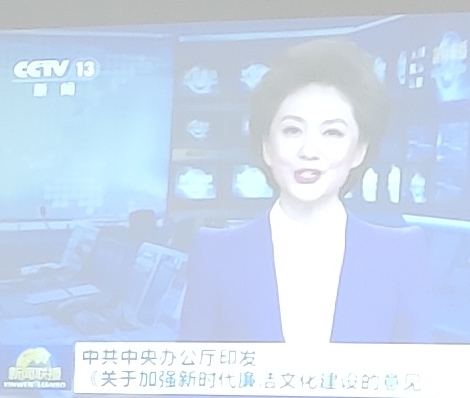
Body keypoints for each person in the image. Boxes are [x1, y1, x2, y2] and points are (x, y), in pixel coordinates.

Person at [174, 38, 436, 346]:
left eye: (332, 132)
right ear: (266, 146)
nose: (309, 150)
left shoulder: (400, 253)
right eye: (292, 130)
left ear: (359, 151)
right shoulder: (216, 252)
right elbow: (191, 370)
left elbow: (419, 372)